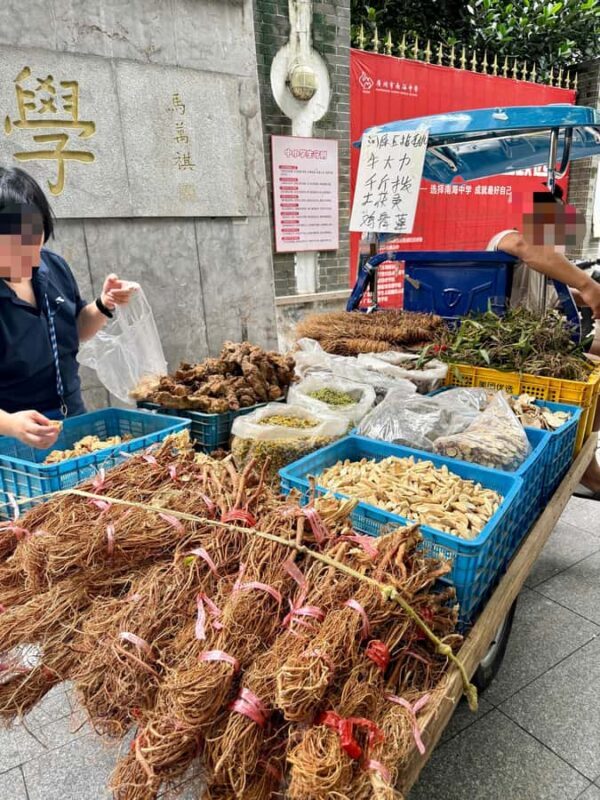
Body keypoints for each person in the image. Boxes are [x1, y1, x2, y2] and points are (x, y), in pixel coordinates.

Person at [0, 167, 136, 449]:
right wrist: (10, 425)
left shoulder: (54, 267)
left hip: (71, 417)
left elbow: (74, 330)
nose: (24, 253)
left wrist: (102, 305)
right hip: (13, 436)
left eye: (31, 238)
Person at [488, 188, 600, 499]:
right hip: (512, 350)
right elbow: (523, 246)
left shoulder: (547, 264)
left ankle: (583, 455)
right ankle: (585, 467)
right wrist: (587, 284)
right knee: (593, 380)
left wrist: (587, 295)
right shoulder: (507, 240)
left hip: (542, 342)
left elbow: (558, 296)